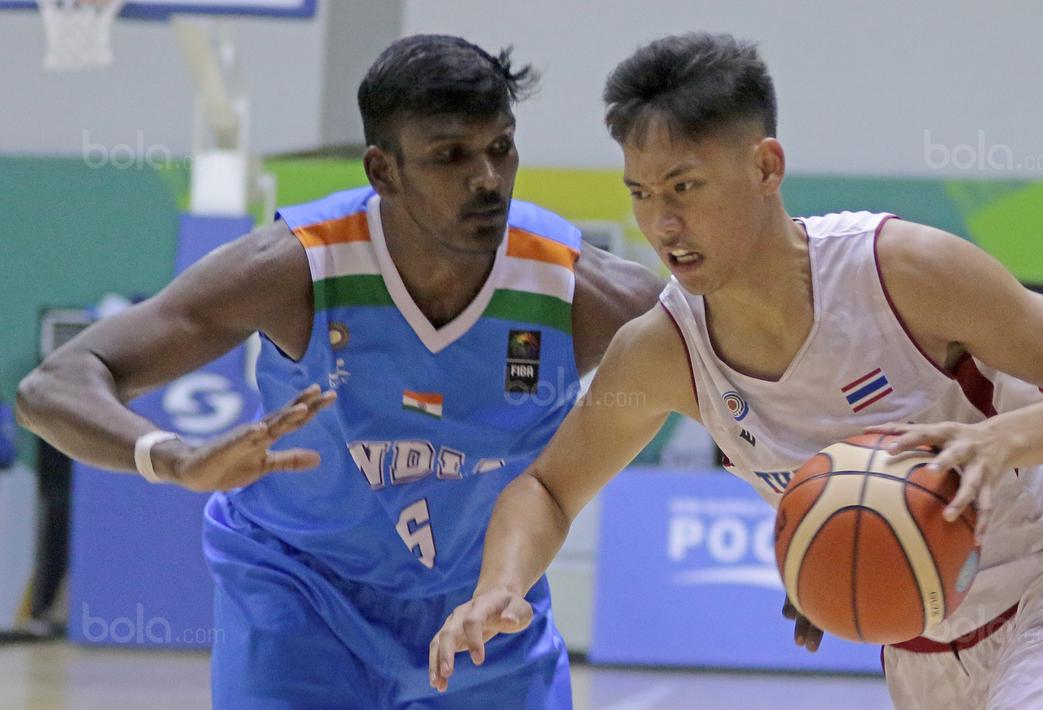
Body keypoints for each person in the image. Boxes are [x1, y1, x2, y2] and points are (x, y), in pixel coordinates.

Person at [429, 32, 1043, 709]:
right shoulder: (661, 351)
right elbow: (547, 487)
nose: (661, 225)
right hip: (919, 649)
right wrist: (497, 588)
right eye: (641, 194)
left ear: (765, 166)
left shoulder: (902, 273)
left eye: (684, 187)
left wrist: (1000, 442)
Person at [16, 34, 662, 709]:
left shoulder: (582, 290)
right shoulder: (294, 269)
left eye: (500, 148)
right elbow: (53, 386)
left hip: (484, 605)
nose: (487, 180)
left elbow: (733, 385)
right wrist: (172, 459)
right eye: (451, 156)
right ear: (382, 172)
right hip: (301, 593)